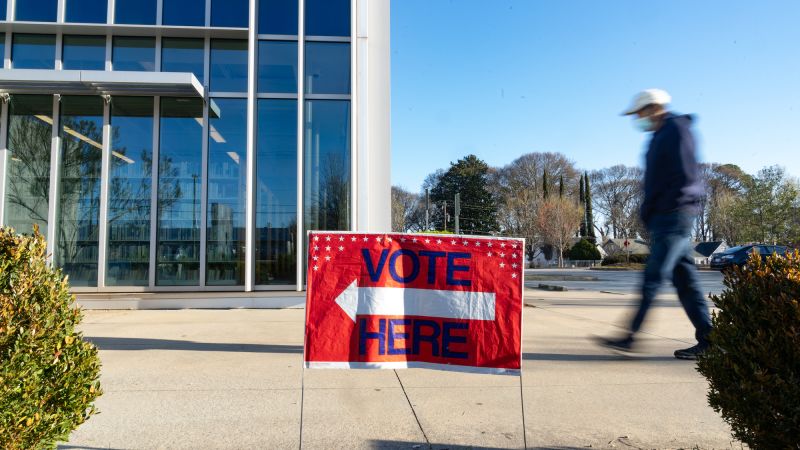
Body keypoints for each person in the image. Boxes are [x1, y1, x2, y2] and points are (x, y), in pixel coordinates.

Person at [598, 89, 712, 360]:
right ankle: (710, 341)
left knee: (653, 276)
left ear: (654, 108)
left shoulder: (676, 130)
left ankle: (628, 336)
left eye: (640, 112)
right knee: (686, 282)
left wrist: (667, 209)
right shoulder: (659, 135)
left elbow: (684, 175)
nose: (638, 118)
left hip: (674, 215)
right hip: (667, 217)